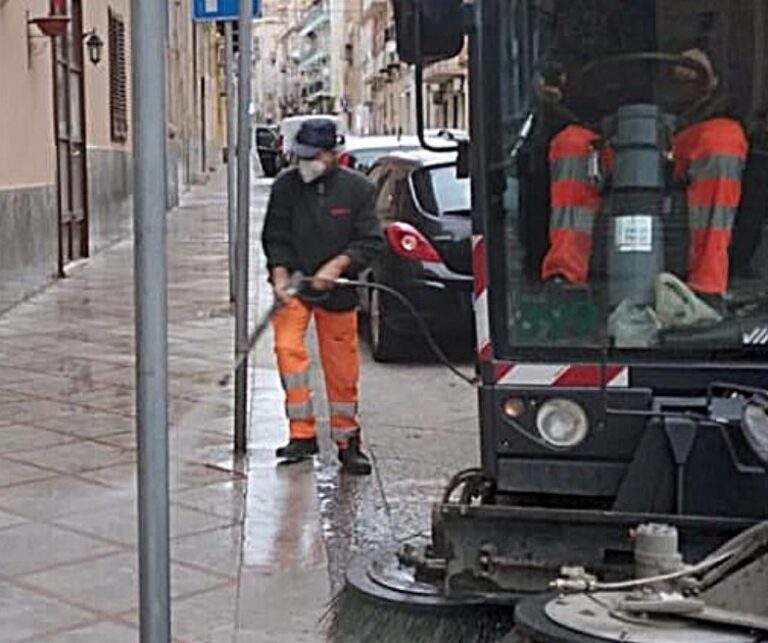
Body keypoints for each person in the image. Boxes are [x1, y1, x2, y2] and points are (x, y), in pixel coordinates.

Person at [537, 0, 748, 303]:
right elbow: (553, 65)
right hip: (608, 136)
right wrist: (549, 82)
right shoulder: (581, 14)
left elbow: (741, 84)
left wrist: (710, 69)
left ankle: (708, 284)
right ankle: (565, 279)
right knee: (570, 145)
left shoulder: (707, 16)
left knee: (724, 140)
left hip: (679, 137)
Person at [261, 118, 384, 475]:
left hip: (338, 291)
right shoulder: (286, 186)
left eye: (312, 156)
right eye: (300, 156)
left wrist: (339, 266)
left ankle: (348, 441)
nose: (305, 164)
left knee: (341, 369)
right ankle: (302, 434)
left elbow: (369, 242)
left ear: (333, 154)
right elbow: (275, 235)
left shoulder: (358, 190)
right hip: (297, 285)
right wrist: (280, 275)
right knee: (287, 349)